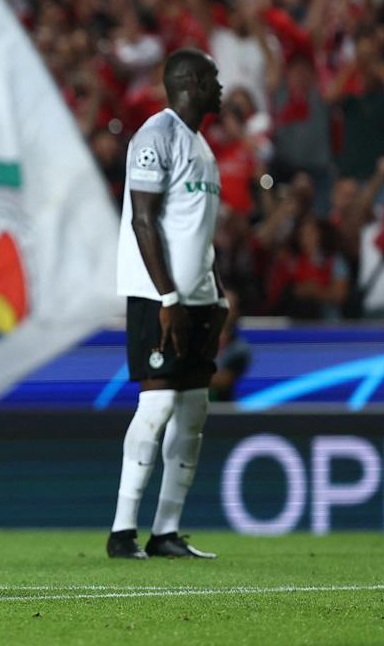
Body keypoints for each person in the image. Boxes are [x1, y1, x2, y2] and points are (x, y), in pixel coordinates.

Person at [108, 48, 228, 560]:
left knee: (194, 410)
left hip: (198, 296)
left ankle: (166, 531)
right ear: (192, 81)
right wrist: (169, 296)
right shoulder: (156, 135)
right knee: (156, 407)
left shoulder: (202, 146)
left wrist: (214, 292)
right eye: (214, 79)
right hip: (159, 296)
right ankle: (121, 531)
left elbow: (196, 233)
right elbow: (143, 220)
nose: (220, 87)